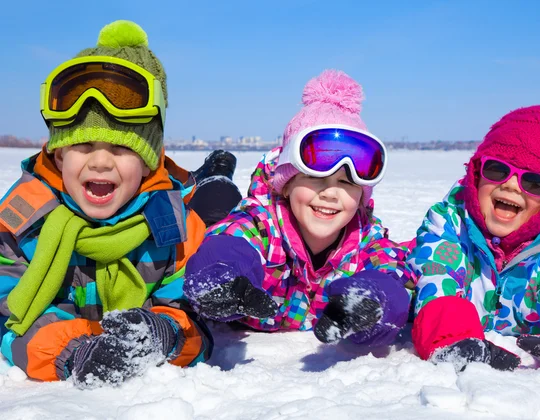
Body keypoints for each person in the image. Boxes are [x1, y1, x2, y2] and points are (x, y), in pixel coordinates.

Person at [0, 20, 239, 388]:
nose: (99, 162)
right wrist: (73, 351)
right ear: (59, 157)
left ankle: (214, 175)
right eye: (82, 147)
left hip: (180, 204)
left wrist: (164, 333)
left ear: (147, 162)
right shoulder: (21, 223)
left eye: (121, 148)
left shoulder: (176, 227)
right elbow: (6, 314)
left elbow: (194, 319)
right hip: (67, 344)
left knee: (213, 209)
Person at [183, 69, 413, 347]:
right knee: (213, 207)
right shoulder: (260, 225)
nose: (330, 193)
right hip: (216, 213)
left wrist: (372, 303)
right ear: (287, 185)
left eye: (345, 183)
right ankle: (216, 173)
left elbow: (388, 276)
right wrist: (220, 278)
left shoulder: (367, 240)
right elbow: (231, 244)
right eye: (316, 178)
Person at [407, 105, 540, 378]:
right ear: (476, 174)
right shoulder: (448, 226)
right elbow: (438, 280)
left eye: (533, 182)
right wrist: (454, 339)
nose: (510, 185)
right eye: (497, 169)